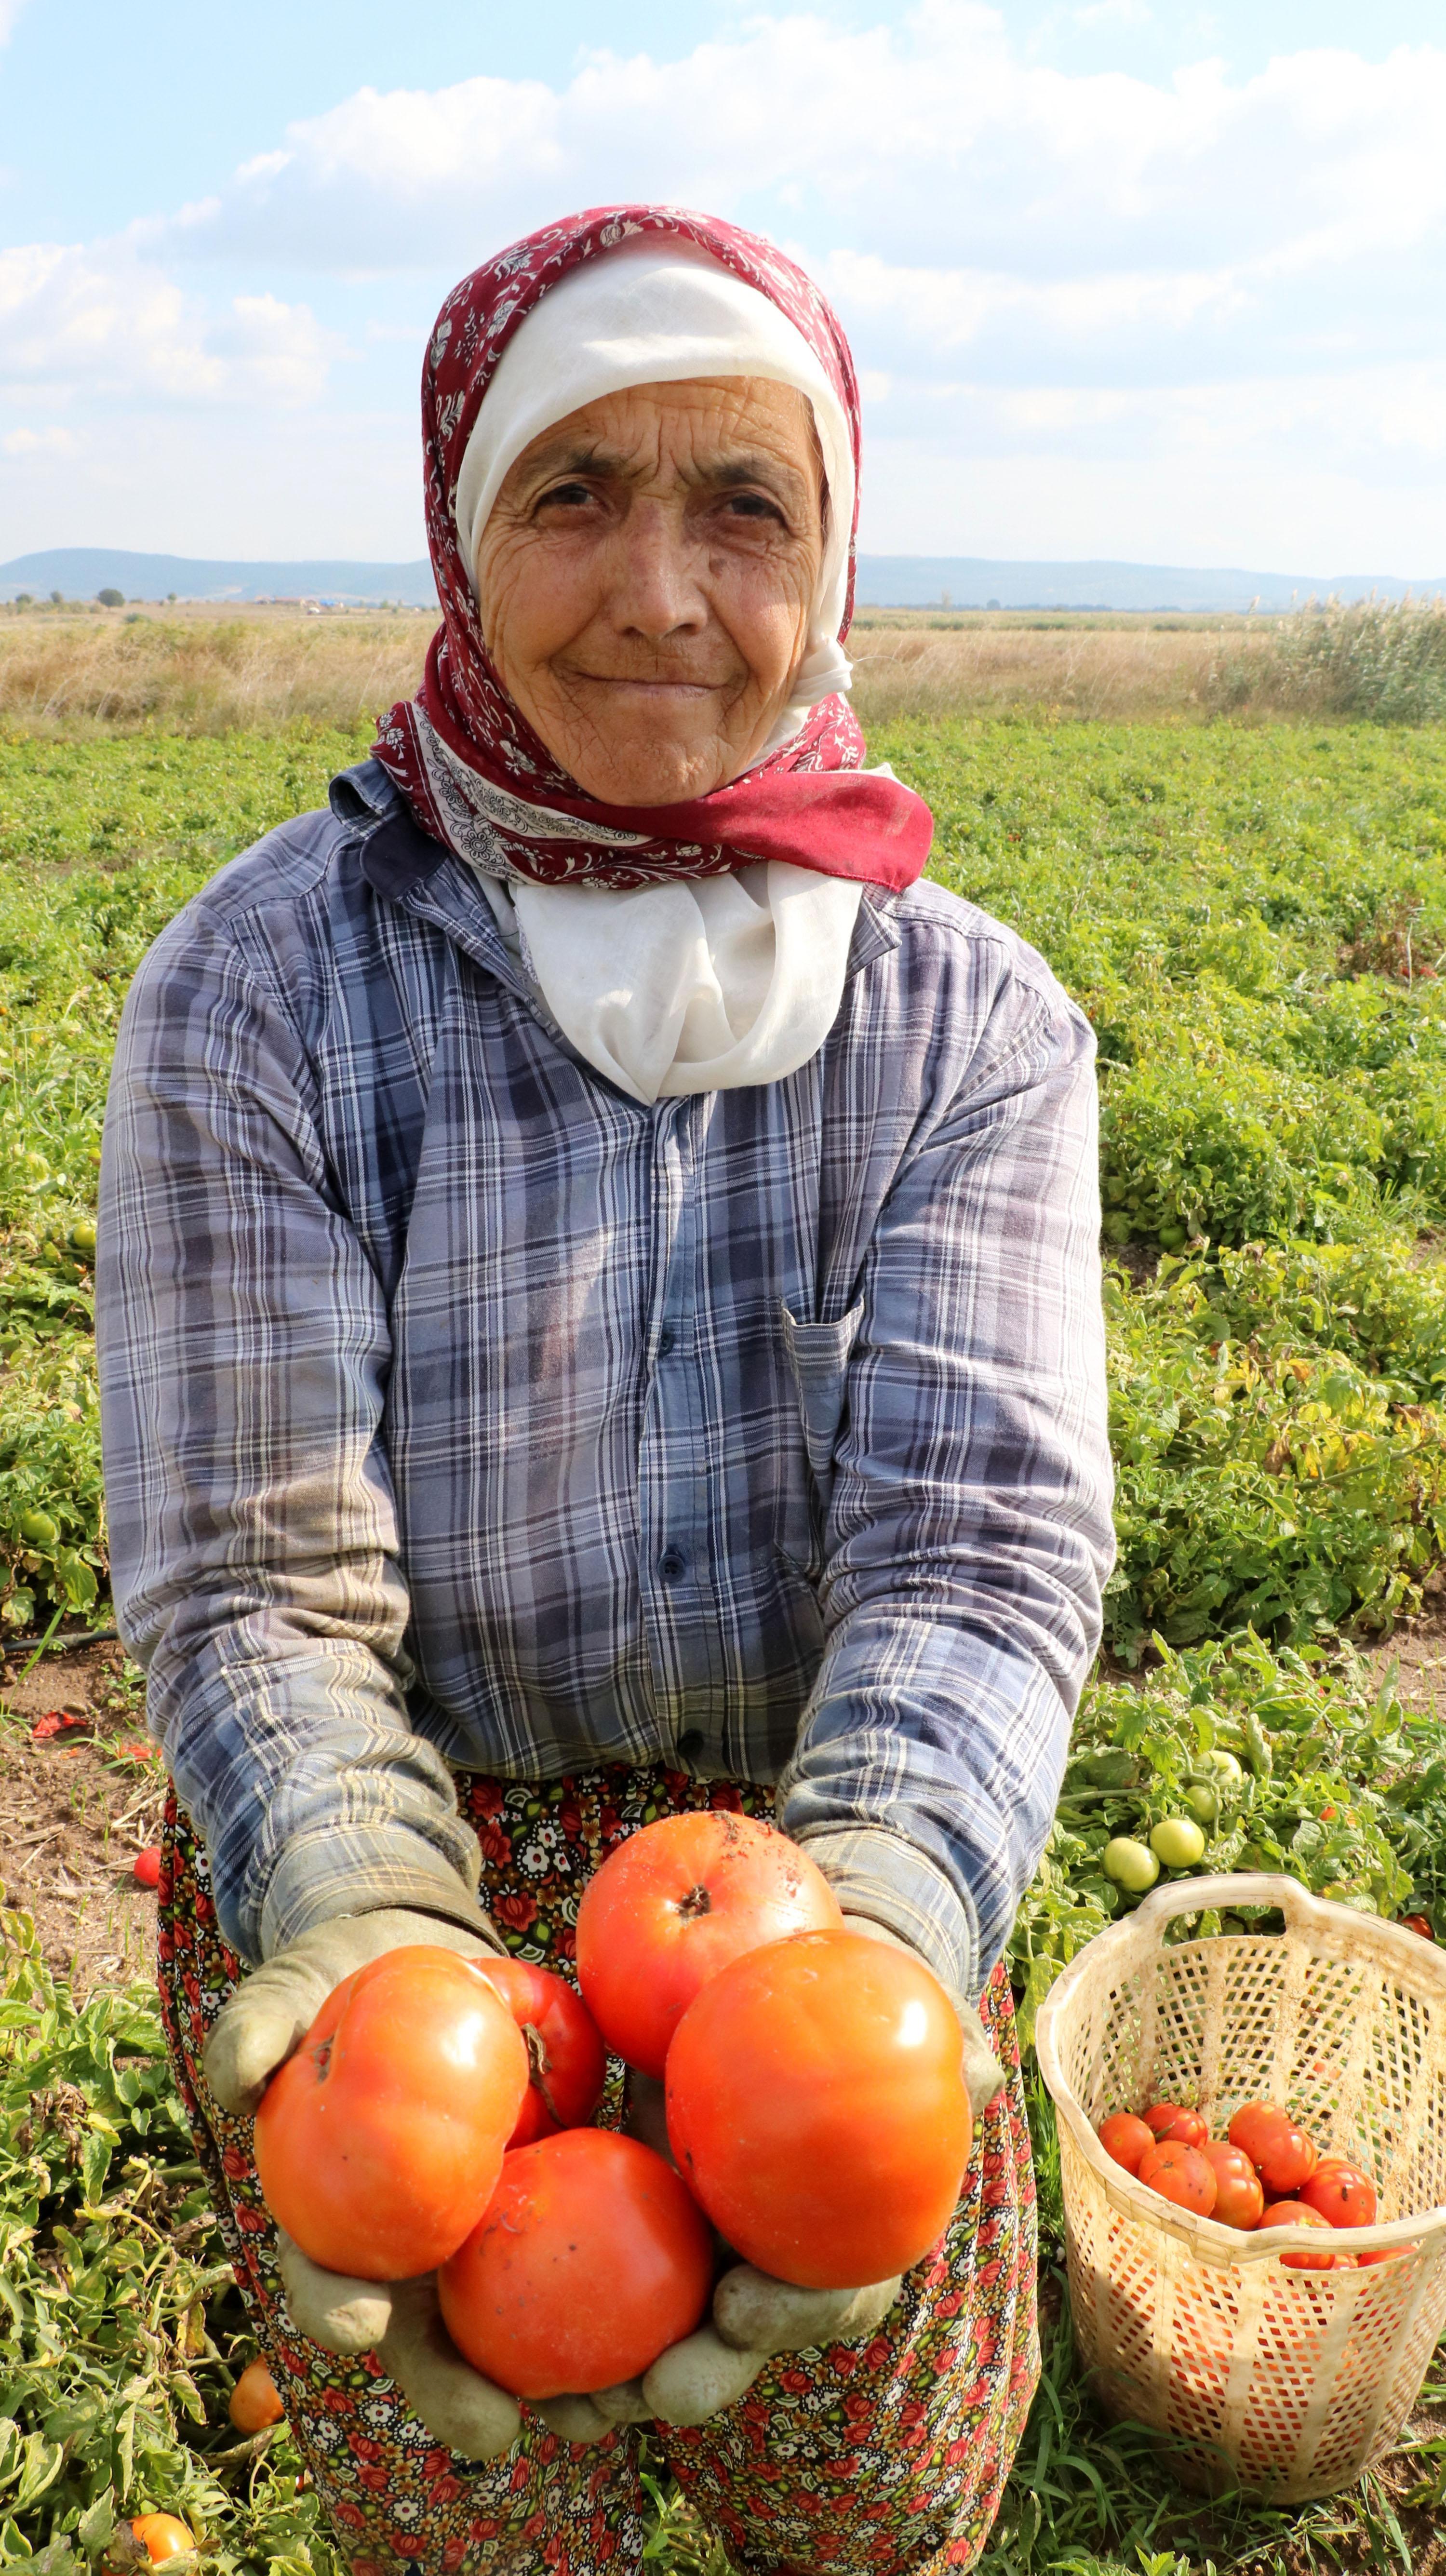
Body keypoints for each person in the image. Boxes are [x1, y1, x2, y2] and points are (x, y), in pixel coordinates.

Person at [96, 203, 1113, 2576]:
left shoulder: (969, 1023)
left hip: (815, 1897)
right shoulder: (261, 992)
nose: (661, 591)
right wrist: (361, 1896)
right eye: (575, 494)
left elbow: (976, 1549)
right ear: (463, 535)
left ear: (834, 552)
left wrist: (865, 1949)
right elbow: (252, 1573)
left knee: (864, 2500)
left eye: (743, 504)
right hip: (411, 1919)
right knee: (469, 2511)